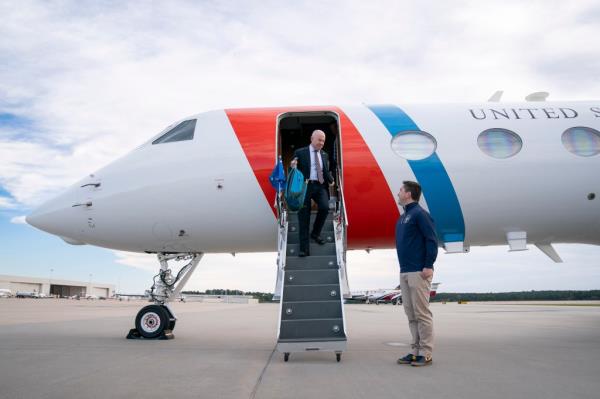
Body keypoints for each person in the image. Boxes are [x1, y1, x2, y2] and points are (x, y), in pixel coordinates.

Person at [395, 181, 438, 367]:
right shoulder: (403, 217)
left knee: (422, 313)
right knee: (411, 314)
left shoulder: (420, 215)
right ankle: (415, 350)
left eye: (401, 190)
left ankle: (426, 353)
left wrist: (429, 265)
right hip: (405, 271)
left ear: (409, 194)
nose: (398, 193)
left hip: (419, 271)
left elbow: (431, 240)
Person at [290, 129, 334, 257]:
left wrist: (331, 181)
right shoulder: (300, 152)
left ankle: (315, 233)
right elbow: (292, 168)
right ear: (312, 138)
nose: (321, 143)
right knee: (304, 216)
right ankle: (304, 249)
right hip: (305, 186)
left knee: (325, 208)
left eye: (323, 141)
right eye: (319, 140)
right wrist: (293, 166)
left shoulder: (324, 155)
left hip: (320, 186)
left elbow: (324, 171)